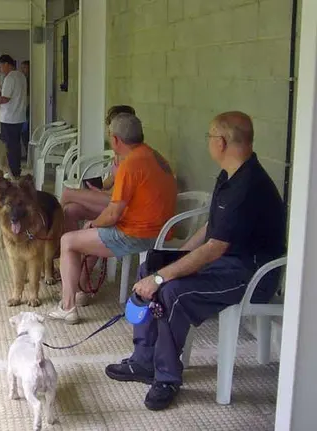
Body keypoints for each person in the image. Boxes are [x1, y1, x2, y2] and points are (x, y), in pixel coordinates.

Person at [104, 111, 287, 411]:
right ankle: (143, 360)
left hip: (250, 275)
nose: (208, 142)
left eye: (210, 136)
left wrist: (164, 277)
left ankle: (166, 377)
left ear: (223, 141)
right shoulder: (230, 174)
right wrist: (173, 261)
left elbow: (215, 247)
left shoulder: (248, 186)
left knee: (173, 292)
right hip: (226, 263)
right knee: (149, 268)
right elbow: (212, 227)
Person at [48, 113, 178, 324]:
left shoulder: (130, 165)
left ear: (116, 139)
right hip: (162, 231)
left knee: (68, 241)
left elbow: (111, 214)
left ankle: (68, 305)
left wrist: (93, 224)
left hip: (137, 234)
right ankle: (78, 285)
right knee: (74, 215)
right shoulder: (156, 157)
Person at [60, 105, 136, 299]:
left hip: (120, 206)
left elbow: (125, 194)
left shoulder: (134, 158)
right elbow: (110, 182)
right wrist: (97, 189)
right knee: (71, 210)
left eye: (111, 128)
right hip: (109, 198)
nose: (108, 132)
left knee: (68, 194)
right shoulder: (118, 155)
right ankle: (72, 260)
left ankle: (74, 269)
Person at [0, 55, 27, 178]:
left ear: (7, 64)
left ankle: (12, 171)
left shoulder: (9, 78)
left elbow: (5, 98)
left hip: (9, 118)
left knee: (10, 146)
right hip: (19, 116)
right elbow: (13, 93)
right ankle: (16, 169)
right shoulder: (21, 76)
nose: (0, 69)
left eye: (1, 66)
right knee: (15, 144)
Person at [20, 60, 31, 154]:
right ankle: (27, 153)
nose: (22, 70)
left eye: (24, 67)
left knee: (26, 132)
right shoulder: (22, 80)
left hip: (29, 108)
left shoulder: (30, 81)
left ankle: (28, 153)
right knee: (24, 132)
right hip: (24, 108)